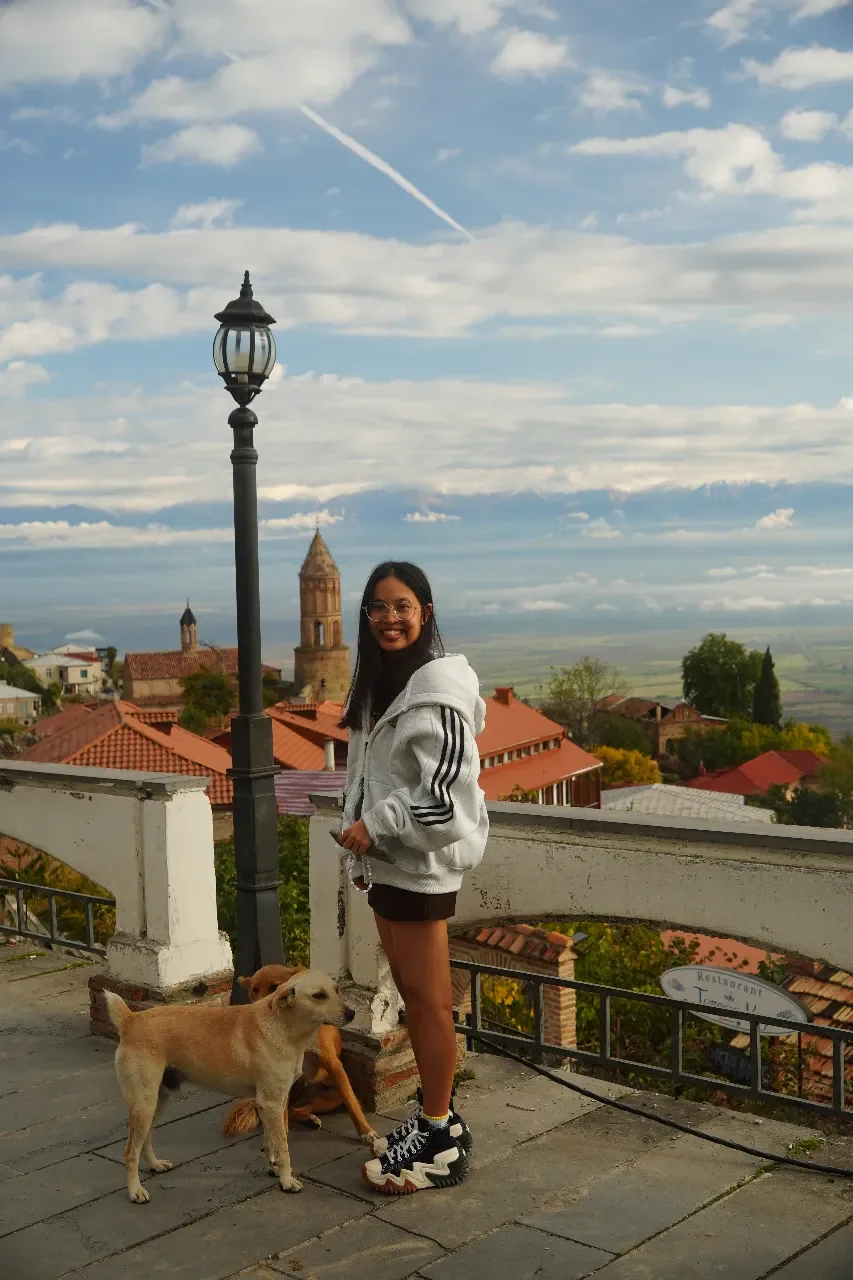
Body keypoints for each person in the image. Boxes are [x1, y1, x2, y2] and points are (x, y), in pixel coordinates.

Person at [338, 561, 488, 1194]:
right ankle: (439, 1121)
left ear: (425, 611)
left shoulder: (438, 688)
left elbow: (447, 800)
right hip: (388, 866)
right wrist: (365, 834)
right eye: (377, 607)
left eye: (401, 606)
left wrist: (375, 824)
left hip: (420, 868)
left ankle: (438, 1137)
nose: (389, 618)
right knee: (409, 994)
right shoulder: (383, 683)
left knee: (428, 1004)